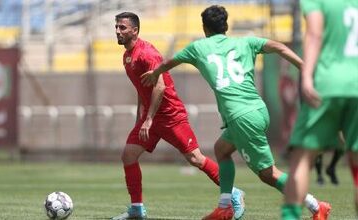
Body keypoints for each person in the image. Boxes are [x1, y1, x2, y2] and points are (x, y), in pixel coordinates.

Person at [141, 5, 330, 220]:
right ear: (226, 26)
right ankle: (225, 206)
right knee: (221, 150)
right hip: (256, 110)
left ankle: (316, 206)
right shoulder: (246, 42)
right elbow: (279, 47)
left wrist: (155, 73)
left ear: (205, 28)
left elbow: (168, 63)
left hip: (242, 117)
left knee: (268, 174)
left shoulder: (198, 48)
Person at [112, 12, 245, 220]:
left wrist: (148, 119)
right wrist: (142, 111)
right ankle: (137, 209)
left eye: (122, 27)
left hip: (170, 115)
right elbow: (142, 85)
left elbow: (160, 86)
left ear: (135, 30)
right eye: (117, 27)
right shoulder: (127, 56)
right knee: (128, 155)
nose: (118, 31)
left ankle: (234, 193)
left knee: (195, 158)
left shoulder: (147, 54)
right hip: (150, 116)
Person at [282, 0, 358, 219]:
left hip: (328, 84)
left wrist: (306, 76)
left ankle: (291, 216)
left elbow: (314, 34)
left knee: (302, 159)